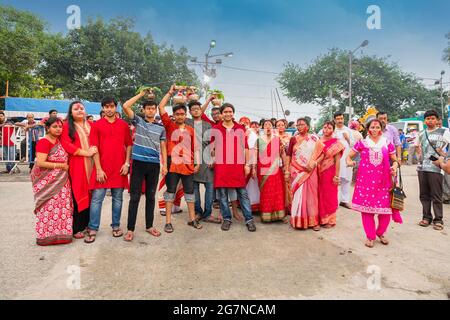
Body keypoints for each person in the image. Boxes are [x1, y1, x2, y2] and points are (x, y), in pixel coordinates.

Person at [84, 97, 133, 244]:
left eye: (111, 106)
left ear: (116, 107)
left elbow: (129, 144)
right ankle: (93, 228)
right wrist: (98, 169)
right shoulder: (96, 125)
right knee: (97, 199)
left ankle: (116, 226)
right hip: (102, 168)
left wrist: (126, 163)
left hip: (119, 168)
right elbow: (94, 148)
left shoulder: (124, 125)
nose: (109, 109)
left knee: (118, 198)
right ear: (103, 109)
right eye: (106, 107)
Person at [346, 118, 401, 248]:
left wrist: (394, 166)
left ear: (381, 129)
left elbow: (395, 160)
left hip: (384, 182)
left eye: (377, 127)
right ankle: (370, 236)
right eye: (372, 127)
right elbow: (349, 156)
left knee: (385, 211)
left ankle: (381, 233)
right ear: (368, 129)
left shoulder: (387, 143)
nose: (374, 130)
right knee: (367, 211)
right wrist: (349, 162)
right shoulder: (362, 143)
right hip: (366, 182)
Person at [122, 90, 168, 242]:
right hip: (139, 163)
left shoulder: (161, 128)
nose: (151, 110)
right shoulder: (138, 121)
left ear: (156, 110)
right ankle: (130, 229)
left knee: (151, 197)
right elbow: (126, 106)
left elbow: (163, 147)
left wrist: (164, 164)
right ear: (143, 110)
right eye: (148, 108)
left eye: (153, 108)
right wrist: (141, 94)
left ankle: (149, 226)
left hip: (154, 165)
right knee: (134, 197)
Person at [159, 85, 202, 233]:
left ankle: (191, 219)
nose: (180, 116)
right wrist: (170, 92)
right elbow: (161, 107)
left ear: (186, 115)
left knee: (190, 193)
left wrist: (198, 162)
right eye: (177, 114)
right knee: (170, 192)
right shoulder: (170, 126)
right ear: (174, 115)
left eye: (182, 114)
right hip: (173, 163)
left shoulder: (191, 129)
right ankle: (168, 222)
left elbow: (195, 147)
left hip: (188, 164)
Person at [210, 103, 257, 232]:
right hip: (222, 166)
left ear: (233, 113)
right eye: (225, 112)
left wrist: (247, 164)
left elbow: (246, 148)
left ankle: (249, 220)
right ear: (221, 114)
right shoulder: (216, 128)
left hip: (237, 165)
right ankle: (227, 219)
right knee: (223, 194)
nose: (228, 114)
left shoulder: (239, 128)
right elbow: (212, 147)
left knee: (242, 193)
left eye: (230, 111)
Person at [31, 117, 73, 246]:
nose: (58, 129)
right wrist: (60, 166)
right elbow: (41, 162)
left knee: (62, 207)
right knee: (48, 208)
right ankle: (46, 236)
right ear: (47, 128)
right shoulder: (44, 142)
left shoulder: (60, 141)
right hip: (47, 182)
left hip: (62, 181)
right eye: (55, 127)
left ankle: (63, 235)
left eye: (60, 126)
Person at [61, 101, 98, 240]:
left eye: (82, 108)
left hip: (93, 163)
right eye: (76, 109)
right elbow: (66, 144)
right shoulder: (66, 126)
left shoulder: (91, 125)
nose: (79, 110)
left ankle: (89, 224)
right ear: (71, 112)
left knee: (92, 195)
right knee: (78, 193)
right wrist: (85, 152)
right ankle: (76, 227)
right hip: (77, 163)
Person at [285, 118, 324, 230]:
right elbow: (288, 155)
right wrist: (287, 170)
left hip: (310, 171)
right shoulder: (293, 139)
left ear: (307, 126)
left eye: (302, 124)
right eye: (298, 125)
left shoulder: (314, 139)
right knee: (297, 195)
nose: (299, 126)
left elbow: (322, 154)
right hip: (296, 171)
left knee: (312, 196)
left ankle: (313, 221)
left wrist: (315, 163)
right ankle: (297, 220)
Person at [414, 110, 450, 231]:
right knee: (424, 195)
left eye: (433, 118)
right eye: (428, 118)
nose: (430, 120)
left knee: (436, 194)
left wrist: (444, 157)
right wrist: (418, 156)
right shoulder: (421, 133)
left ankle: (438, 219)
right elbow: (417, 147)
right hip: (422, 167)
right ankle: (426, 217)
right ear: (424, 121)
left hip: (436, 168)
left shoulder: (444, 132)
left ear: (437, 120)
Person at [186, 100, 220, 223]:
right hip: (191, 160)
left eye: (198, 108)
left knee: (210, 188)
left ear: (201, 110)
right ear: (189, 112)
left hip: (206, 160)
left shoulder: (208, 125)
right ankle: (197, 212)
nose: (196, 110)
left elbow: (214, 142)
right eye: (193, 108)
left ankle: (207, 213)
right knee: (193, 188)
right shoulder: (186, 122)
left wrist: (214, 157)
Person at [255, 120, 286, 222]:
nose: (267, 127)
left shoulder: (277, 139)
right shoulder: (259, 140)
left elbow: (283, 154)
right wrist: (253, 167)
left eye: (269, 125)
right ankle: (266, 214)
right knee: (265, 190)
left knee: (276, 190)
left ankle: (278, 214)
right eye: (265, 125)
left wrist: (285, 166)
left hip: (275, 168)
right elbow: (255, 155)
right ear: (262, 127)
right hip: (262, 168)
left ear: (272, 128)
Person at [318, 121, 344, 228]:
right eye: (324, 127)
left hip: (330, 172)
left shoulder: (336, 143)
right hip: (319, 171)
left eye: (329, 128)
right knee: (320, 194)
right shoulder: (318, 142)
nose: (326, 130)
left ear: (333, 130)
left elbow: (337, 160)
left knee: (330, 195)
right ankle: (321, 218)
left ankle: (330, 220)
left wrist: (336, 176)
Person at [333, 112, 353, 209]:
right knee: (336, 179)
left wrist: (347, 138)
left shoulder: (348, 130)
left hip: (346, 159)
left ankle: (344, 201)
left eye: (341, 118)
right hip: (335, 160)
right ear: (334, 120)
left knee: (346, 179)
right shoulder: (332, 130)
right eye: (338, 119)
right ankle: (334, 201)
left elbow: (354, 145)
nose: (340, 120)